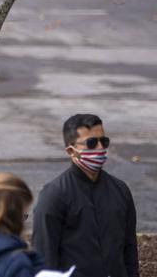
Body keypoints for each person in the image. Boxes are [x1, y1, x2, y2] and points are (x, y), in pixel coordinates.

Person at [32, 114, 139, 277]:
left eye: (104, 141)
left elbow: (129, 250)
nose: (100, 148)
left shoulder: (120, 190)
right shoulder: (54, 195)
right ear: (71, 151)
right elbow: (44, 260)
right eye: (91, 143)